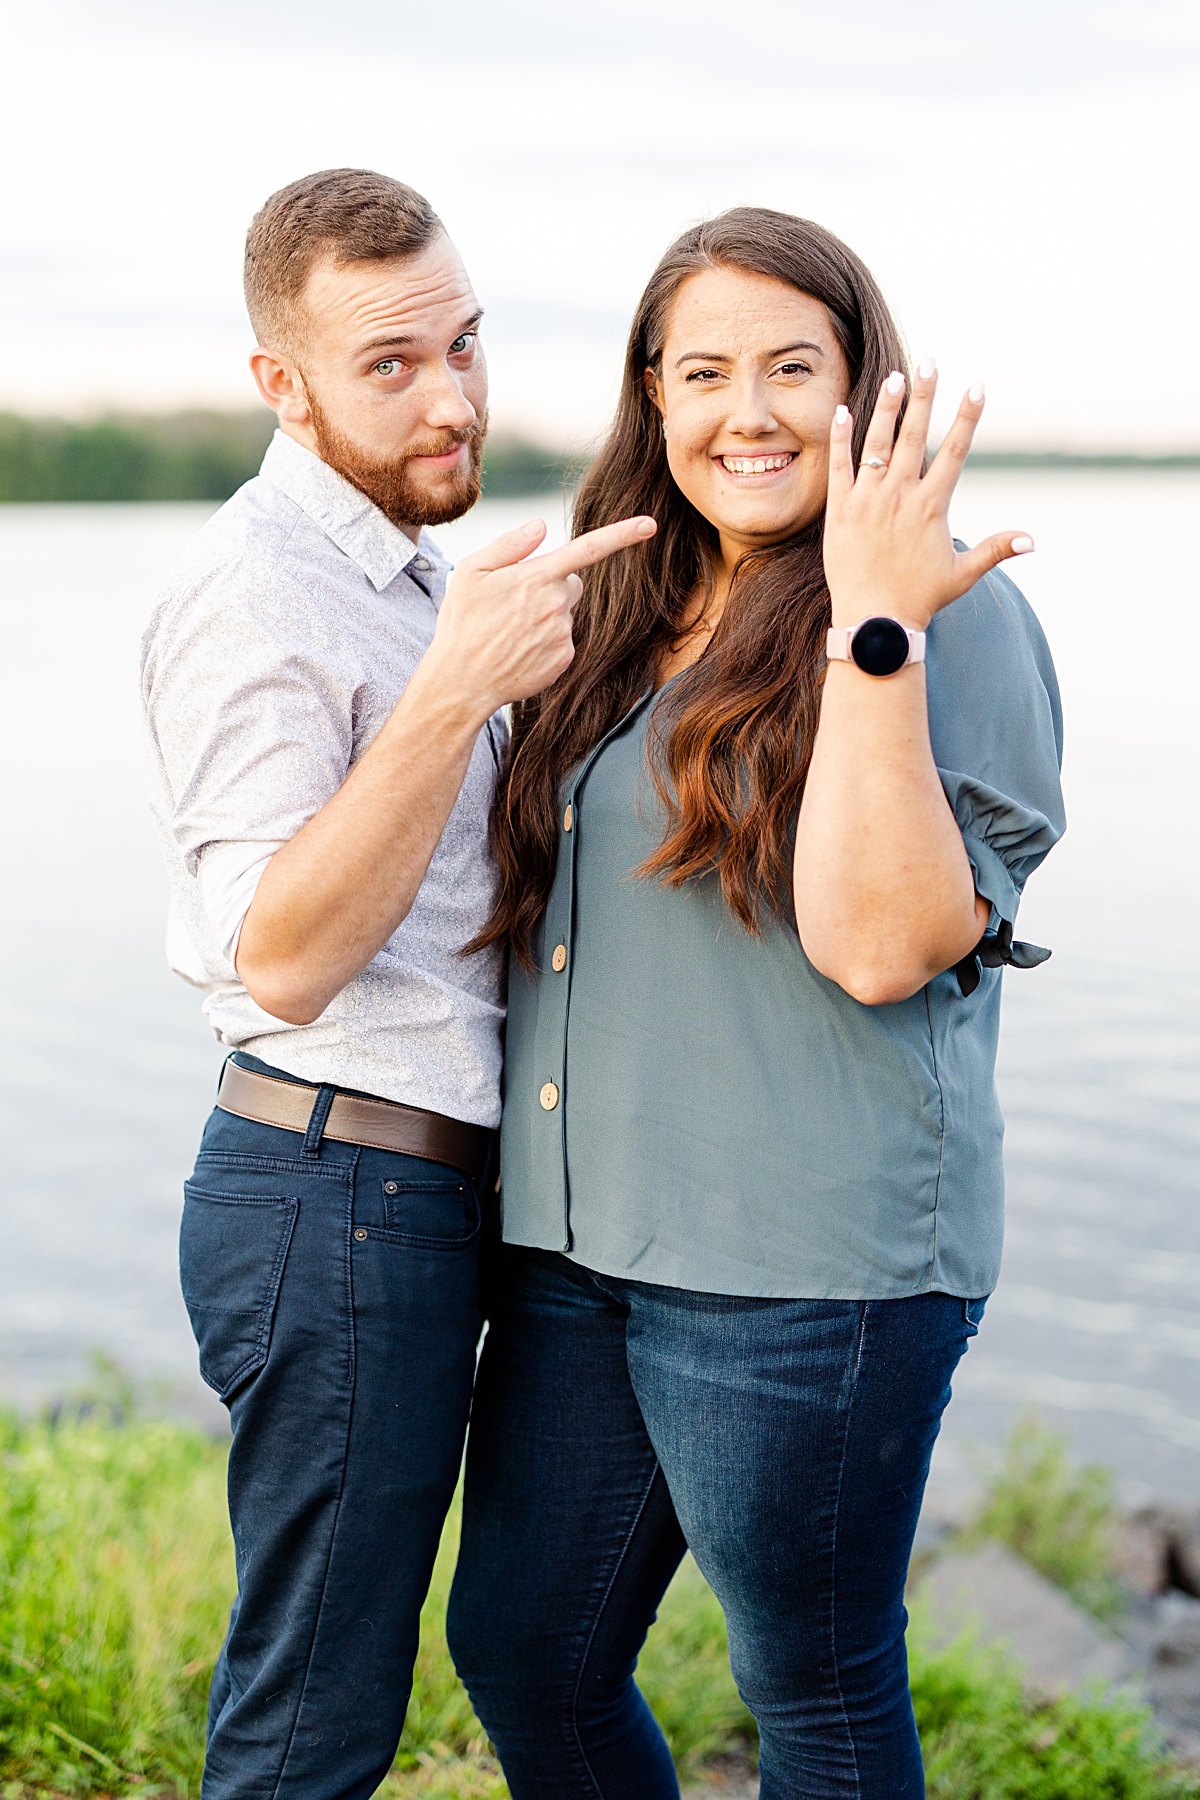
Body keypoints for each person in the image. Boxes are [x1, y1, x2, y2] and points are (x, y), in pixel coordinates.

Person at [446, 207, 1065, 1797]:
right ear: (652, 398)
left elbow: (881, 944)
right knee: (528, 1654)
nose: (749, 412)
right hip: (579, 1246)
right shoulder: (623, 609)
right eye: (703, 371)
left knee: (814, 1687)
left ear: (864, 385)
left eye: (795, 366)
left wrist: (877, 617)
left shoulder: (949, 616)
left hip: (806, 1270)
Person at [140, 167, 653, 1799]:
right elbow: (279, 953)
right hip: (334, 1193)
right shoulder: (251, 593)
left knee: (477, 1656)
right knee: (313, 1721)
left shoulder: (415, 570)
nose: (452, 397)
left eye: (466, 344)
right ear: (279, 385)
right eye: (390, 364)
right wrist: (454, 699)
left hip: (421, 1195)